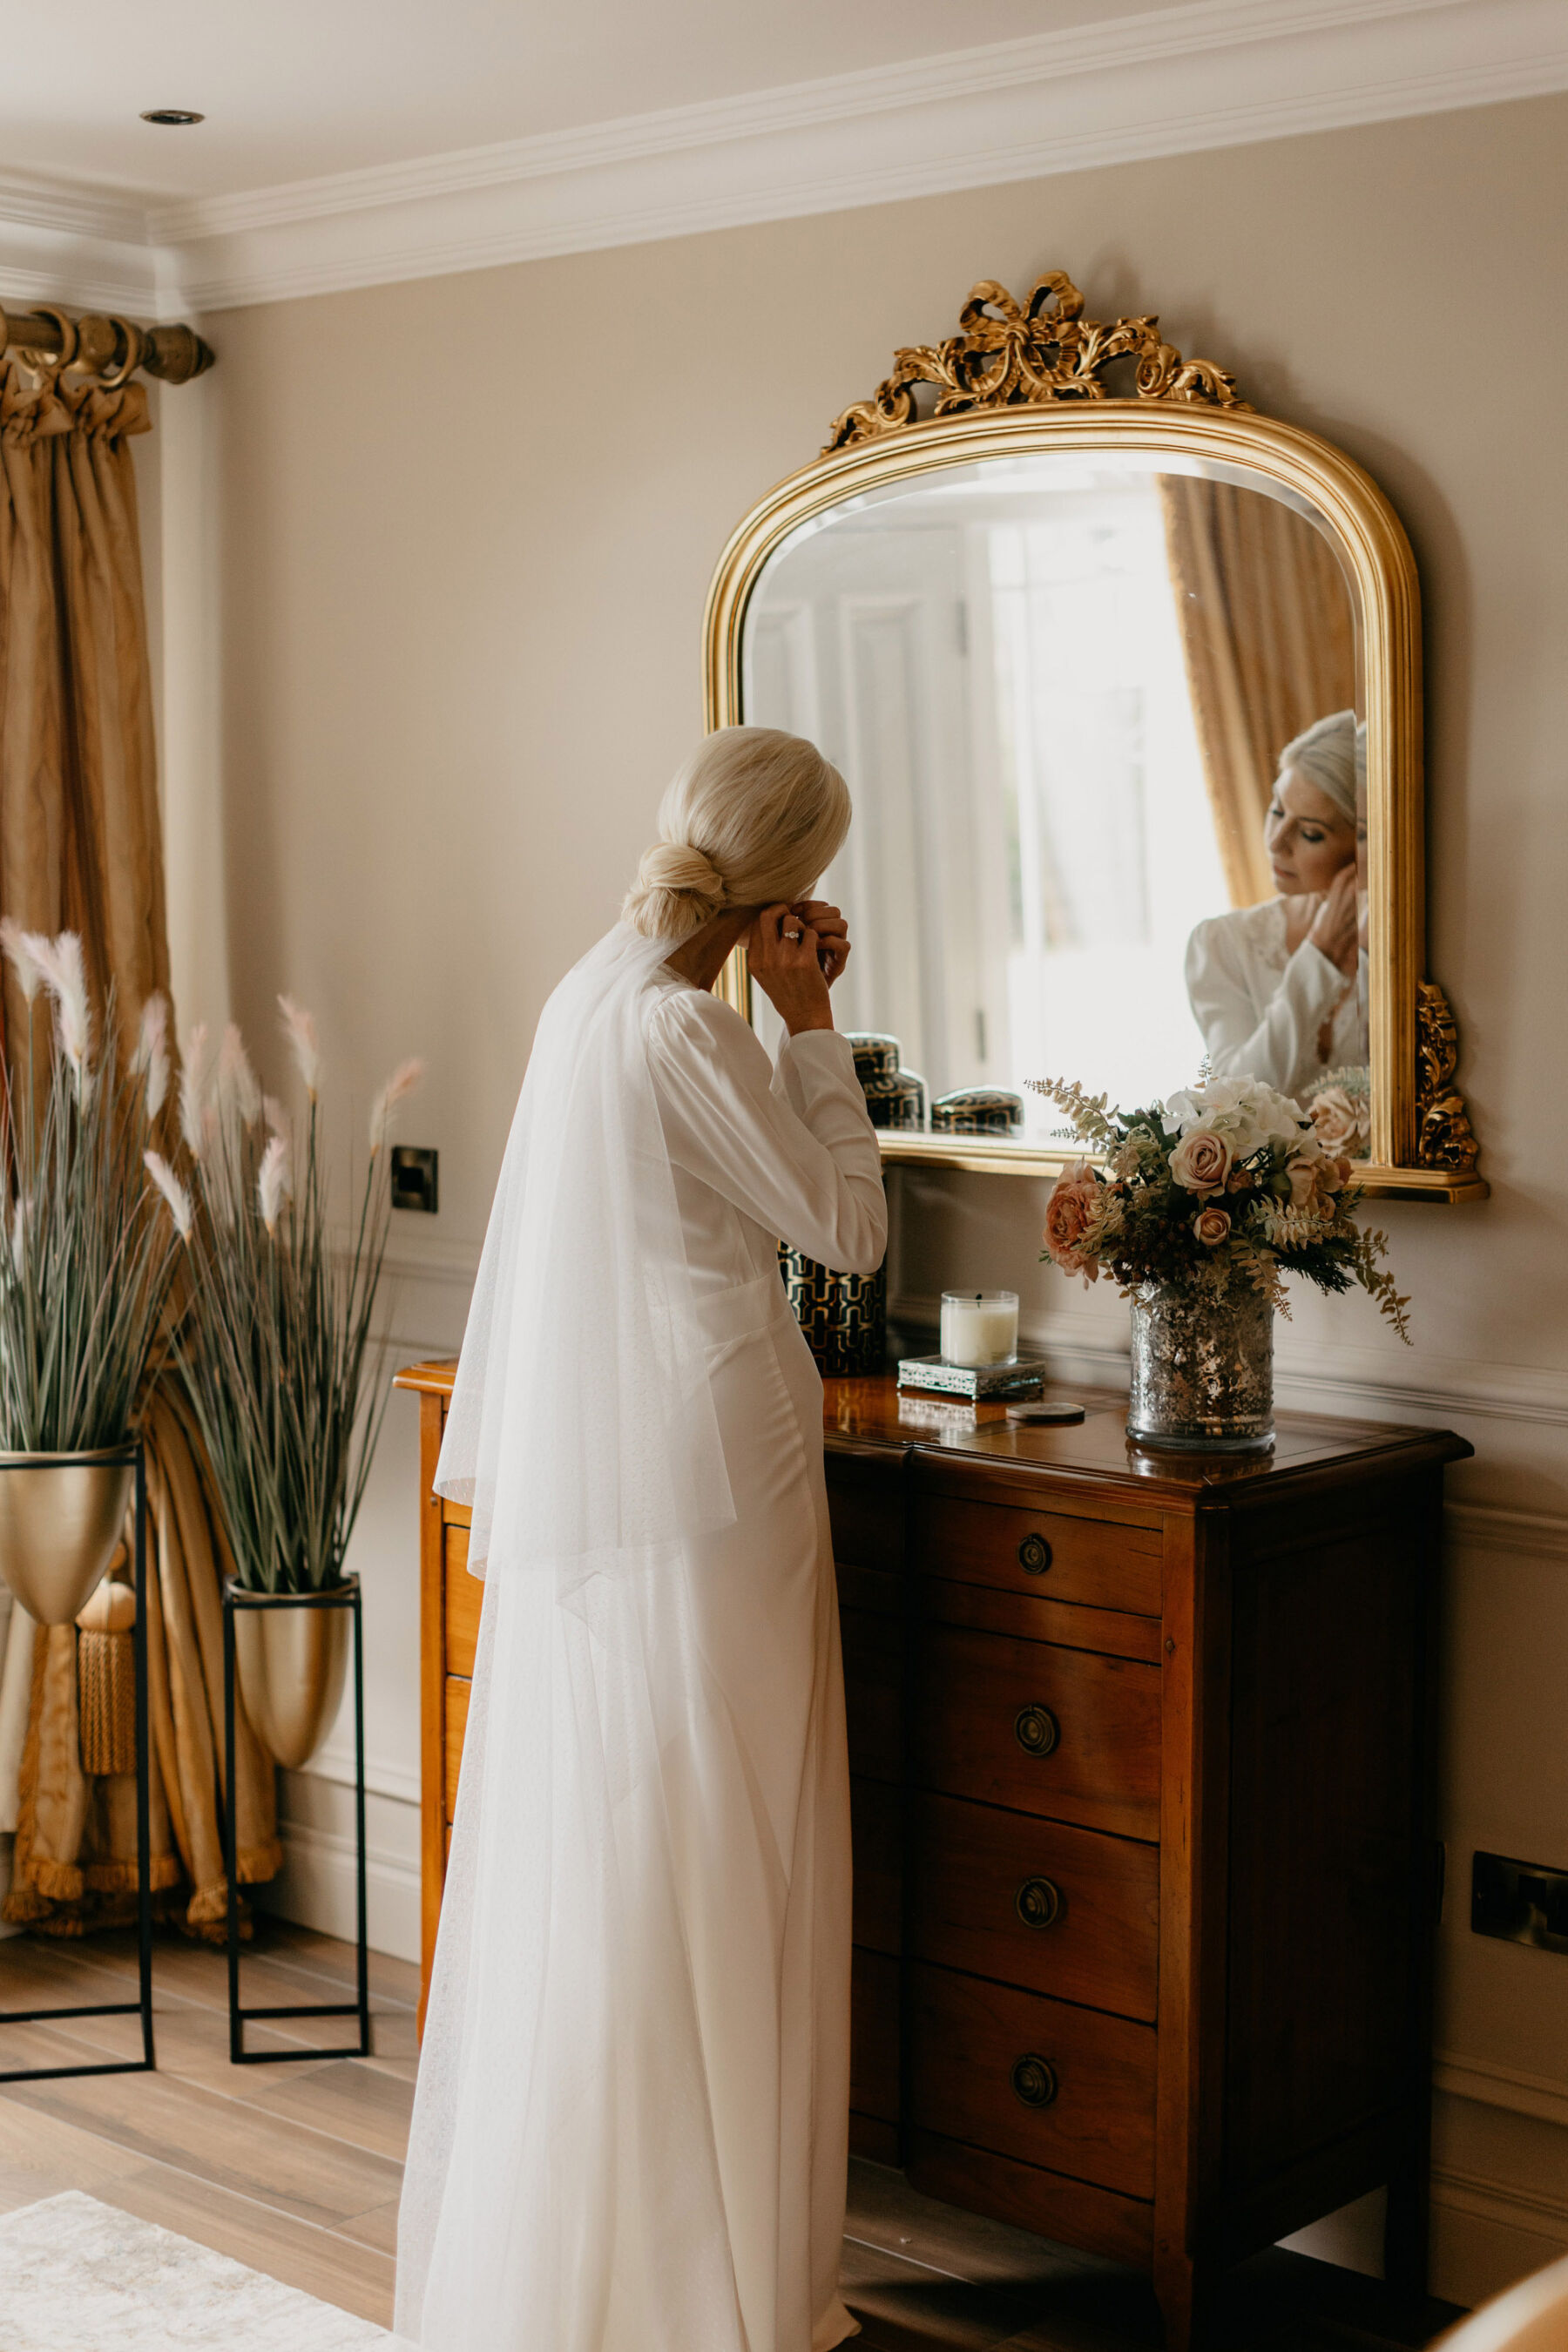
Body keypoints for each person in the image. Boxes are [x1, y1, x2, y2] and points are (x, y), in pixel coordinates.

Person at [395, 726, 885, 2352]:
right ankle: (715, 2276)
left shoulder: (587, 992)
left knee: (637, 1826)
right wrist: (816, 1028)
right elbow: (848, 1234)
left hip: (631, 1461)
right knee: (736, 1823)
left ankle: (609, 2241)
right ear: (794, 884)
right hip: (724, 1459)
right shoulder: (692, 1029)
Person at [1184, 708, 1368, 1103]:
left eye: (1309, 833)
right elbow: (1239, 1102)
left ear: (1362, 845)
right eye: (1278, 810)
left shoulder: (1399, 953)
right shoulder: (1222, 944)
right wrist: (1319, 957)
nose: (1274, 842)